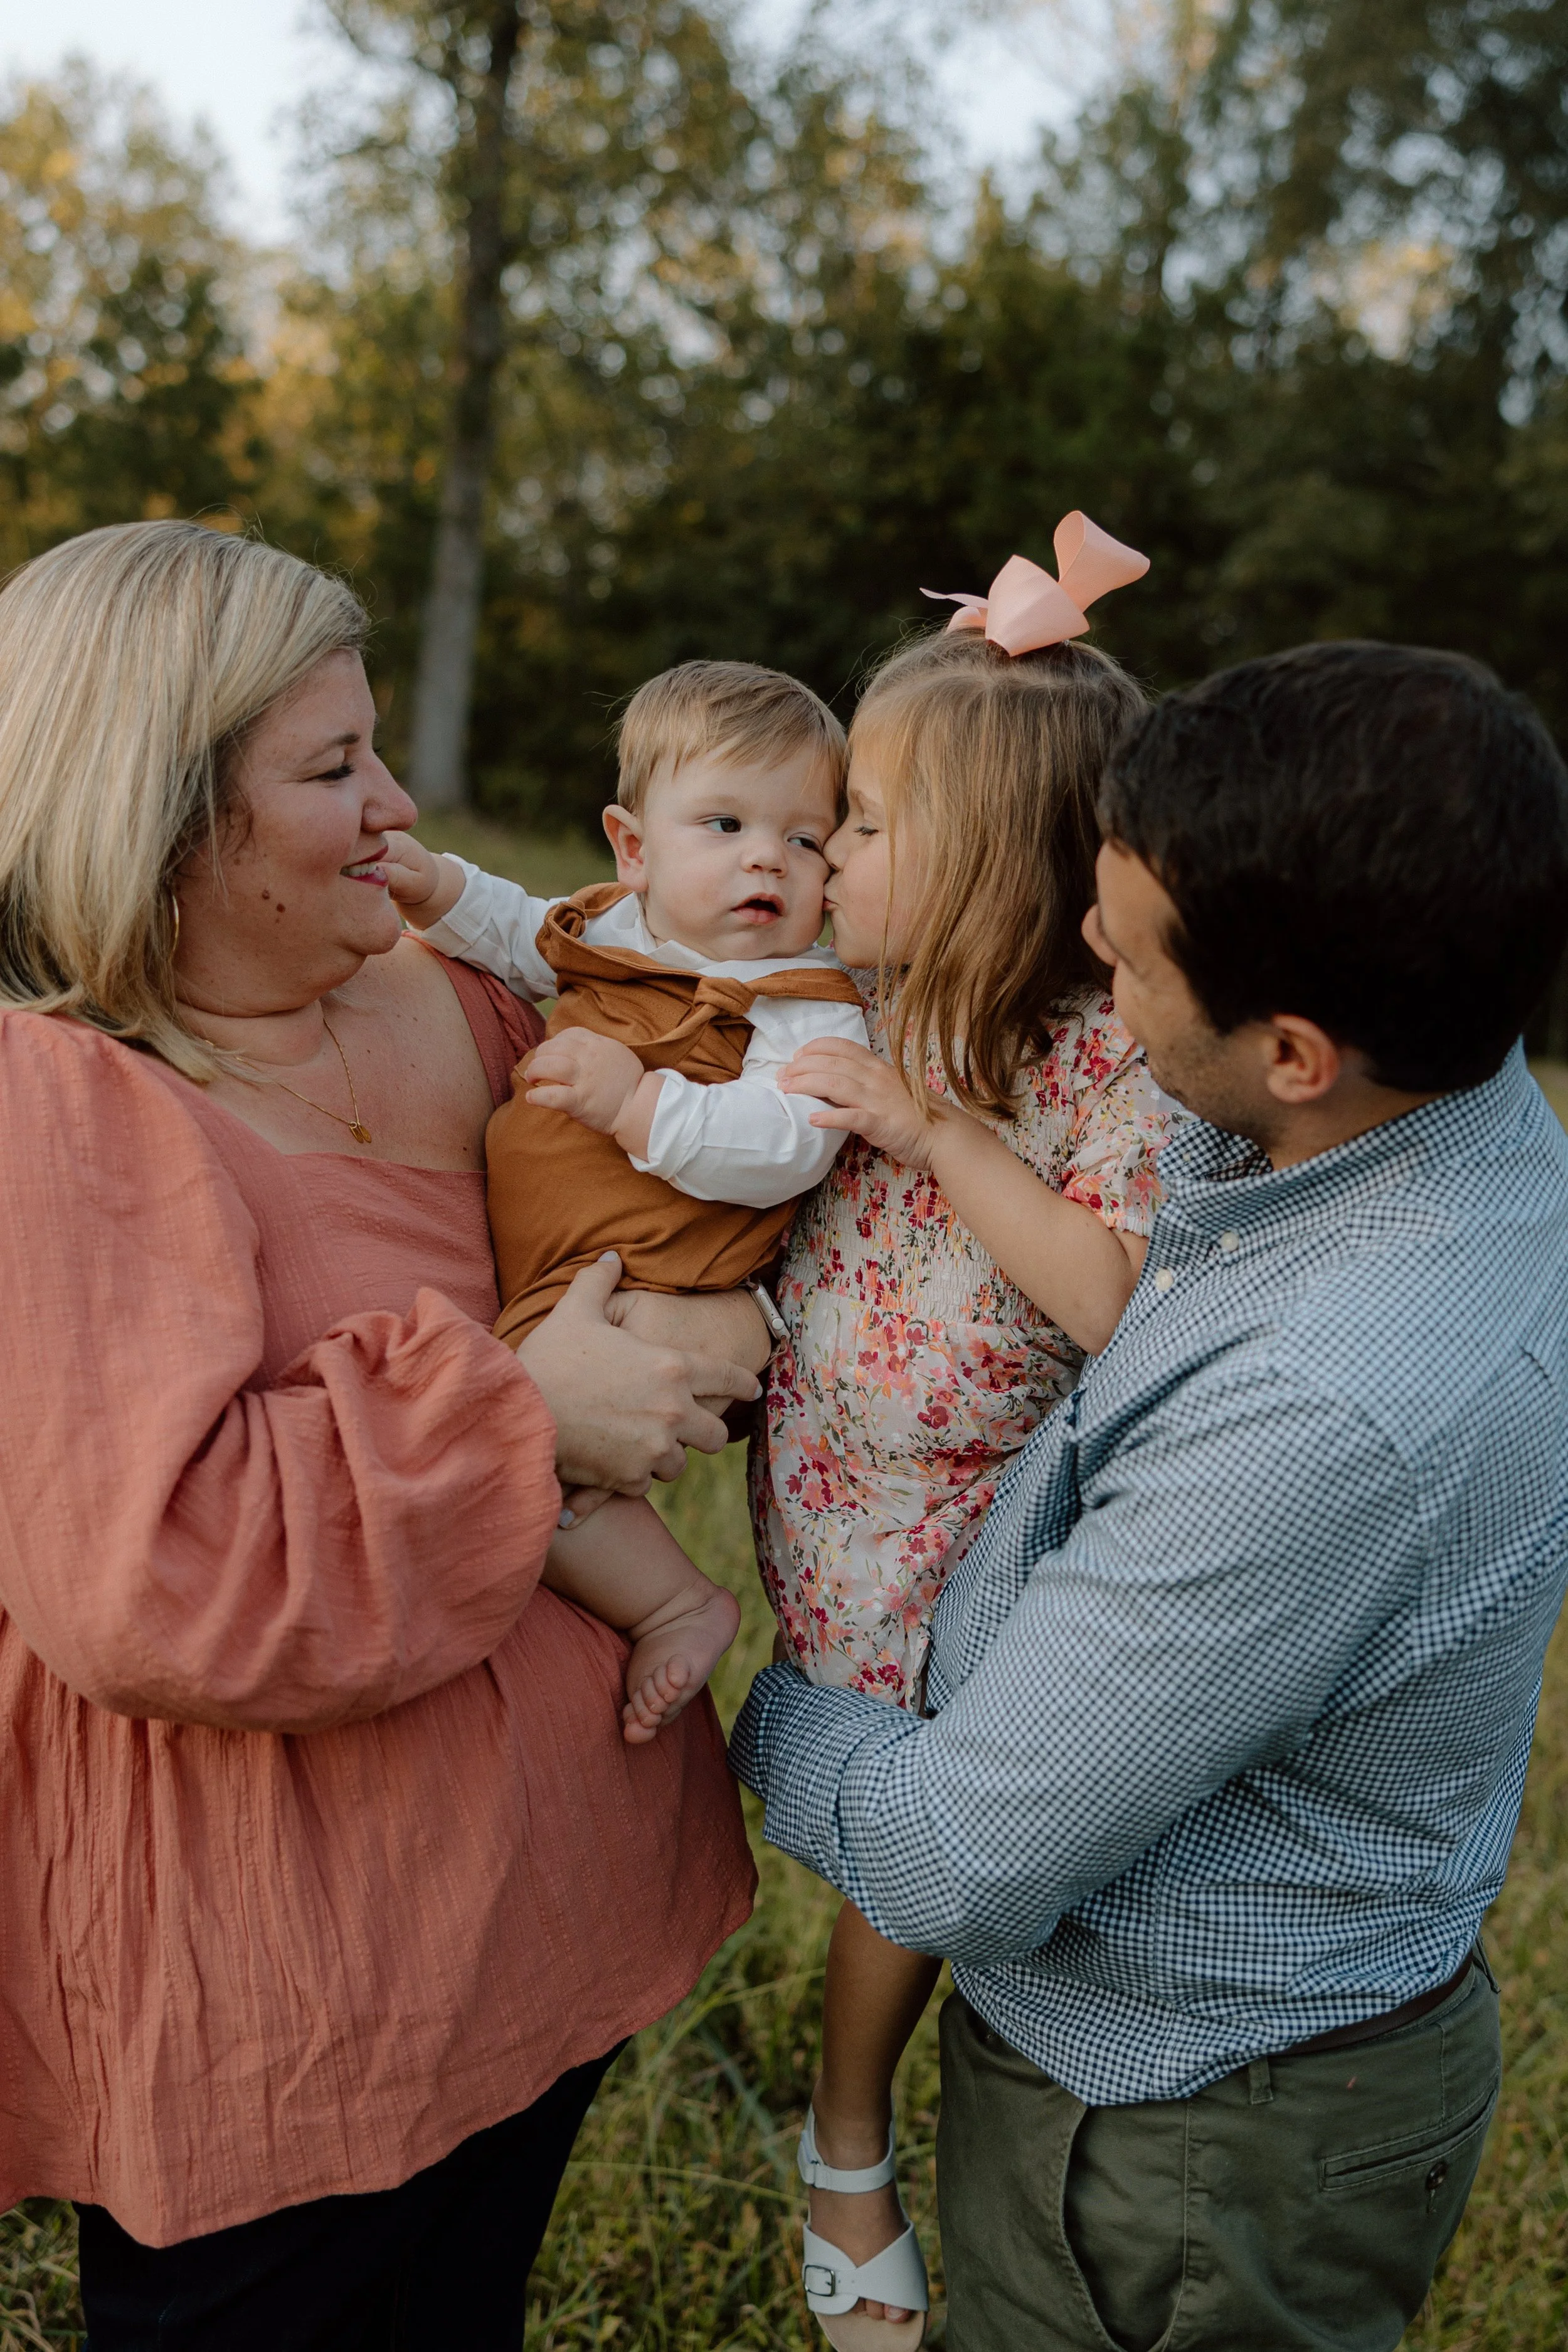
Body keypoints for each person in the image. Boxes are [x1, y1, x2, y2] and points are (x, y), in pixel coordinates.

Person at [733, 637, 1568, 2352]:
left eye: (1120, 963)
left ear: (1292, 1050)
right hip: (1237, 2040)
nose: (1086, 967)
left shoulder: (1323, 1407)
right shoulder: (1443, 1098)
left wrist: (731, 1696)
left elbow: (958, 1851)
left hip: (1187, 2123)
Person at [0, 519, 765, 2351]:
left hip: (543, 1910)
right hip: (289, 1990)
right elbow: (151, 1572)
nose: (397, 802)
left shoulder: (466, 994)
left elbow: (696, 1158)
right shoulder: (64, 1102)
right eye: (332, 766)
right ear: (162, 814)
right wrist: (527, 1409)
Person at [751, 527, 1170, 2348]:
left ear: (991, 858)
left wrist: (939, 1133)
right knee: (857, 1823)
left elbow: (1110, 1298)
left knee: (912, 1846)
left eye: (858, 821)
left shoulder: (1107, 1060)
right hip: (819, 1497)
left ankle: (847, 2133)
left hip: (972, 1548)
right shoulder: (845, 993)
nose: (824, 852)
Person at [385, 659, 869, 1740]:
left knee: (535, 1450)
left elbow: (790, 1144)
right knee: (533, 1447)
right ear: (635, 848)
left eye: (805, 838)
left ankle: (677, 1602)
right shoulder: (613, 928)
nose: (767, 858)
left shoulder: (803, 1000)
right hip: (564, 1264)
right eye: (727, 823)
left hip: (667, 1264)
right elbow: (518, 931)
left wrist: (642, 1104)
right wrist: (433, 888)